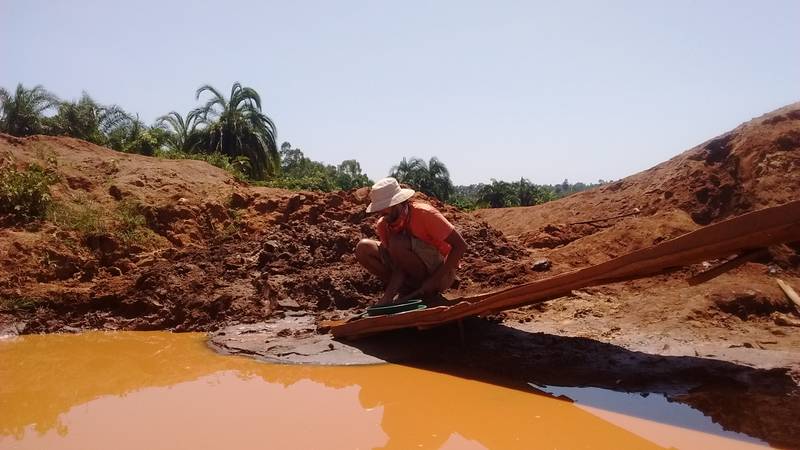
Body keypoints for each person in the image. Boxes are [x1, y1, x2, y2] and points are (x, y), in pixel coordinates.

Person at [355, 177, 467, 306]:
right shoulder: (384, 224)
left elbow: (460, 245)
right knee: (363, 248)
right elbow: (399, 265)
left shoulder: (424, 214)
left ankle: (427, 292)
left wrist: (435, 280)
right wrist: (388, 297)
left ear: (396, 203)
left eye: (383, 207)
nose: (380, 213)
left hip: (441, 274)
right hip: (411, 275)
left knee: (397, 243)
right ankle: (408, 290)